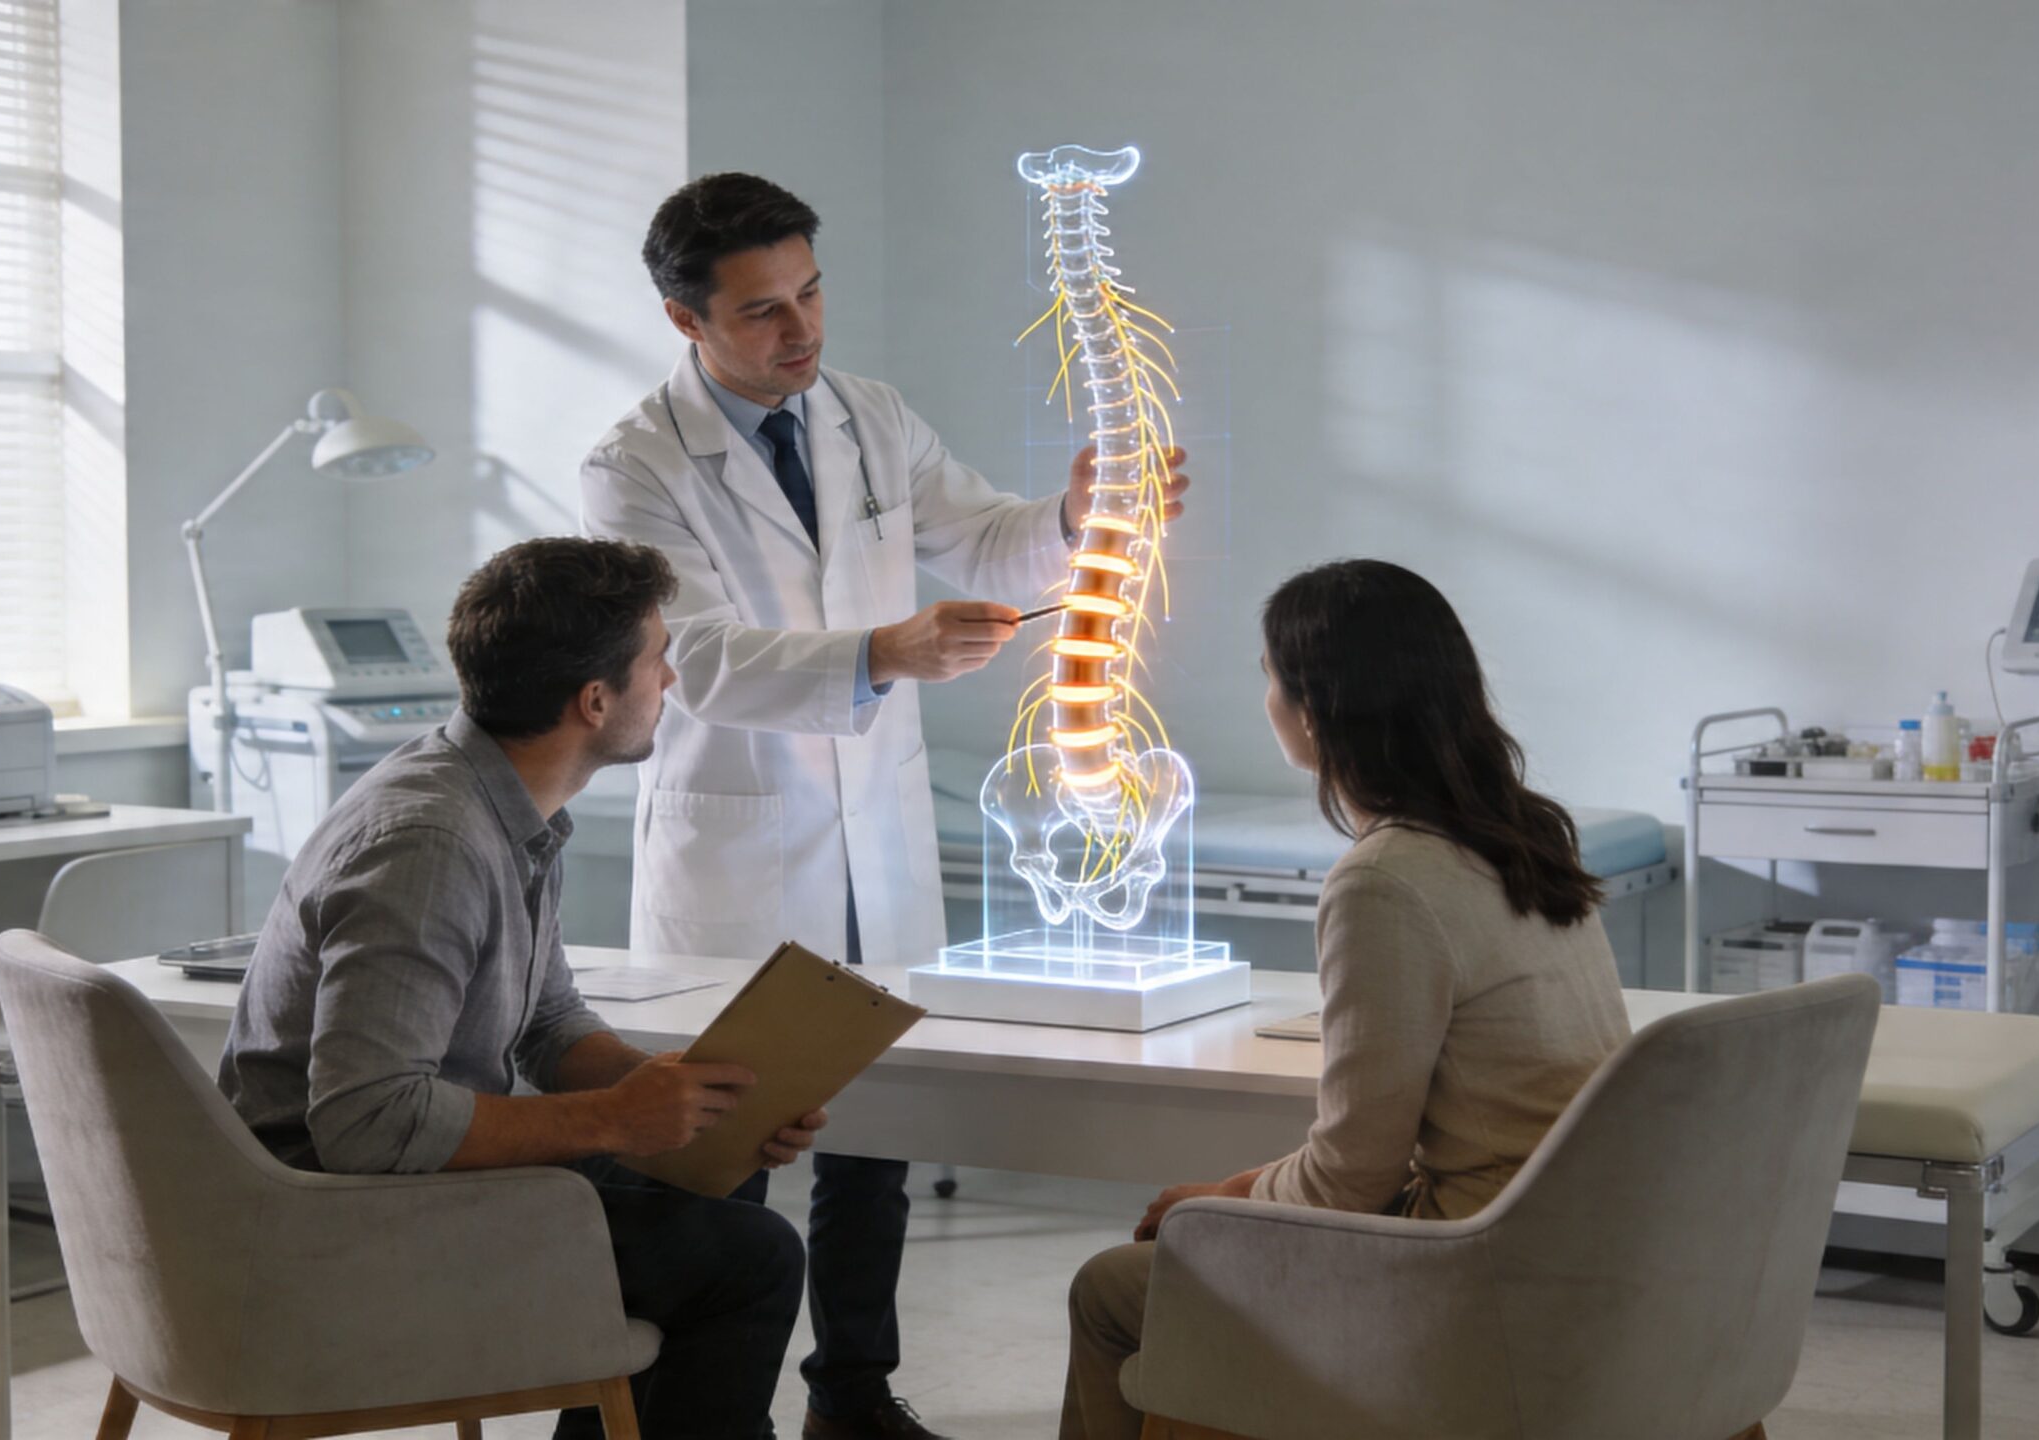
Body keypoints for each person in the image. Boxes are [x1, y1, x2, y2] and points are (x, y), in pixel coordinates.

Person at [581, 172, 1187, 1440]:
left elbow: (984, 539)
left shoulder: (868, 415)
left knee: (875, 1141)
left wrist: (1077, 514)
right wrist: (879, 656)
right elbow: (692, 657)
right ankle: (705, 1414)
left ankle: (852, 1394)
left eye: (809, 294)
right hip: (741, 854)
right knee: (727, 1149)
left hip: (880, 841)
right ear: (686, 323)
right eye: (760, 312)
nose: (800, 331)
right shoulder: (634, 464)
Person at [219, 536, 824, 1440]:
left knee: (718, 1182)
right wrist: (619, 1120)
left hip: (392, 1186)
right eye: (658, 658)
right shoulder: (430, 845)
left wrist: (689, 1105)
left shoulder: (498, 798)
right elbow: (369, 1124)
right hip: (335, 1224)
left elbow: (545, 1022)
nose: (672, 679)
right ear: (594, 700)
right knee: (751, 1257)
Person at [1058, 559, 1634, 1440]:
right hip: (1582, 1250)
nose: (1267, 703)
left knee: (1109, 1289)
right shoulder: (1526, 833)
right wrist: (1244, 1185)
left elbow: (1349, 1186)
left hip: (1467, 1279)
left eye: (1269, 680)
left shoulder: (1387, 879)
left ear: (1315, 712)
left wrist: (1219, 1206)